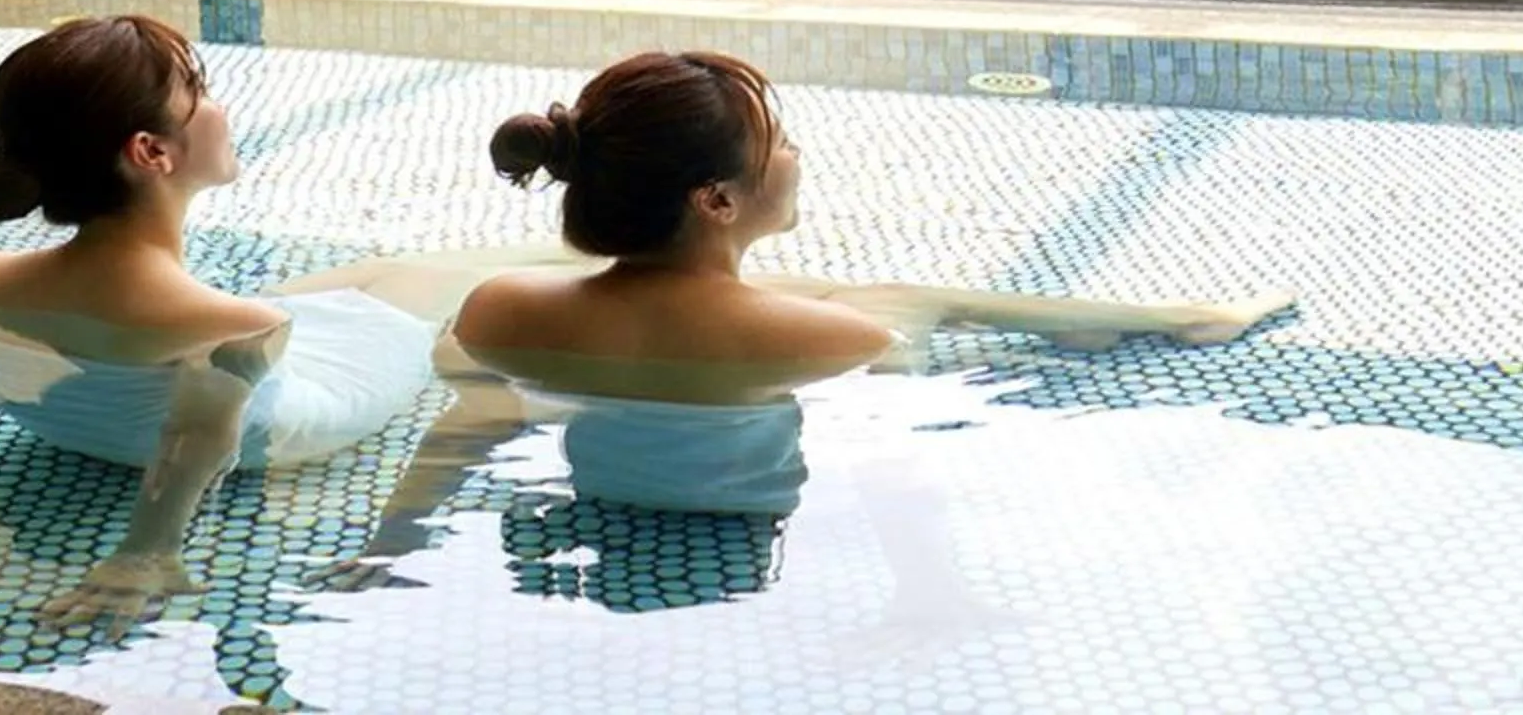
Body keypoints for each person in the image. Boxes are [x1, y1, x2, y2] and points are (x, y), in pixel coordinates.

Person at [0, 14, 491, 619]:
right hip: (299, 420)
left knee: (350, 283)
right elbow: (199, 437)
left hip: (67, 423)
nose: (218, 106)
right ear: (151, 152)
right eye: (199, 94)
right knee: (426, 297)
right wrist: (143, 555)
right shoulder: (238, 323)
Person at [446, 49, 1291, 515]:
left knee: (875, 297)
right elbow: (898, 475)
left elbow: (463, 434)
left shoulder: (499, 309)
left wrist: (390, 543)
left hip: (598, 499)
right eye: (779, 143)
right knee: (902, 302)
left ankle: (1169, 316)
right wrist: (932, 594)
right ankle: (1178, 319)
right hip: (751, 516)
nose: (796, 155)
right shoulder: (839, 341)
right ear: (717, 199)